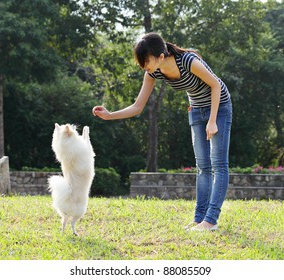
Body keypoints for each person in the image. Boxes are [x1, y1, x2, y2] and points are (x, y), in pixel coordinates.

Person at [92, 33, 232, 231]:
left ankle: (210, 220)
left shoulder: (188, 61)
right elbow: (137, 107)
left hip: (220, 107)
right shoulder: (153, 73)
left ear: (159, 56)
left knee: (218, 164)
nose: (143, 66)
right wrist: (110, 115)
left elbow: (216, 85)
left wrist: (212, 121)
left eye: (145, 61)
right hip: (196, 109)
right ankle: (200, 218)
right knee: (202, 166)